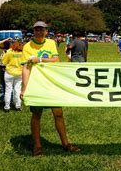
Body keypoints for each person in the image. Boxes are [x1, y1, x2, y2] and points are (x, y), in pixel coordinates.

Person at [20, 21, 80, 156]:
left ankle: (65, 143)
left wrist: (39, 59)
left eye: (42, 30)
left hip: (51, 84)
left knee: (58, 113)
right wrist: (24, 89)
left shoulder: (51, 43)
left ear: (46, 31)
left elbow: (56, 60)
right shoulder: (27, 46)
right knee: (36, 115)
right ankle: (37, 146)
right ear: (33, 31)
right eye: (36, 30)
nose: (39, 32)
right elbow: (25, 68)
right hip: (36, 85)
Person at [1, 40, 24, 112]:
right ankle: (18, 105)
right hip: (20, 73)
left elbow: (3, 62)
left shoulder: (9, 51)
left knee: (8, 90)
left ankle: (7, 107)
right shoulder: (23, 53)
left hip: (9, 72)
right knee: (17, 90)